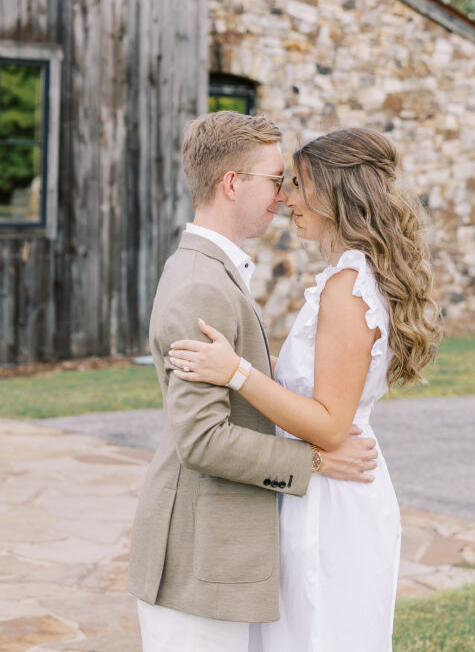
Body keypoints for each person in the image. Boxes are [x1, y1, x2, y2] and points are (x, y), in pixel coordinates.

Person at [169, 127, 440, 652]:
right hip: (322, 489)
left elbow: (329, 423)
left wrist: (235, 373)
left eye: (298, 184)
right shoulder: (348, 276)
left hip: (332, 503)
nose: (286, 197)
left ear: (335, 193)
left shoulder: (347, 287)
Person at [126, 112, 378, 652]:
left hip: (221, 554)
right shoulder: (201, 284)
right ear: (232, 183)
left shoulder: (216, 271)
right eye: (275, 178)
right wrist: (316, 461)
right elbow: (202, 439)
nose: (284, 193)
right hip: (197, 558)